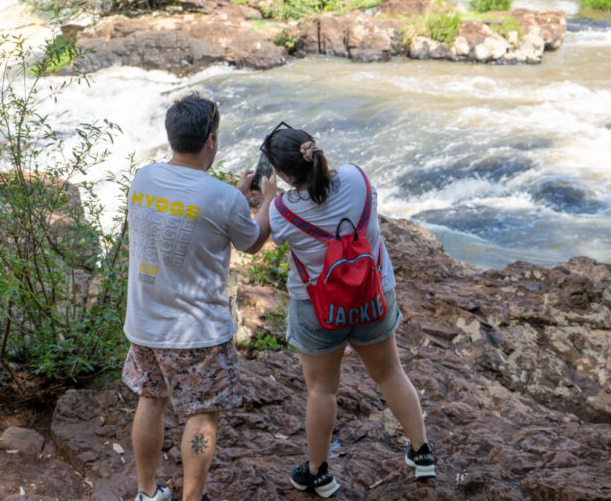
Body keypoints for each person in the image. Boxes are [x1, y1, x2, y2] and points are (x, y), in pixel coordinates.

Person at [263, 123, 436, 499]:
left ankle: (318, 473)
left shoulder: (282, 210)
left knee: (321, 391)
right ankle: (422, 453)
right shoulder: (357, 177)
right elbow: (337, 186)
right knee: (390, 373)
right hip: (372, 299)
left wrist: (266, 196)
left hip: (319, 311)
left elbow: (257, 236)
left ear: (284, 175)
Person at [121, 94, 277, 501]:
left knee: (150, 400)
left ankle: (147, 492)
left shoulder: (143, 178)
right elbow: (254, 240)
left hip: (144, 322)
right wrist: (269, 201)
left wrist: (234, 198)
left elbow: (185, 208)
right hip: (197, 334)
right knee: (203, 414)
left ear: (172, 135)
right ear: (211, 140)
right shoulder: (221, 198)